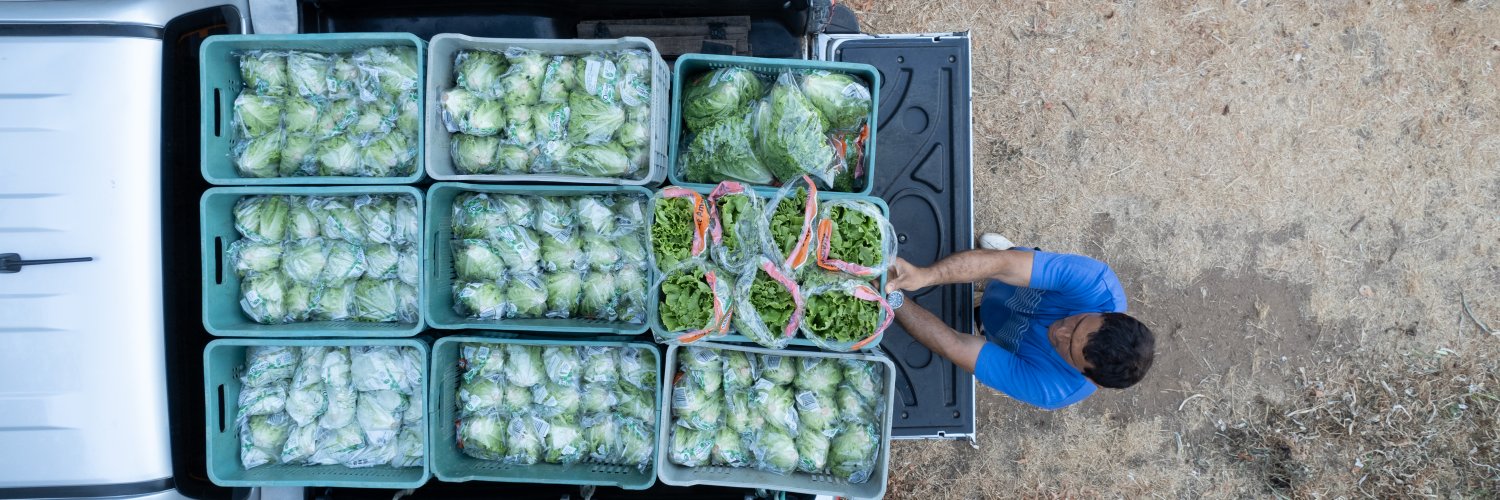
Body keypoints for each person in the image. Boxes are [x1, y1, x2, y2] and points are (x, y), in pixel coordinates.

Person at [884, 233, 1154, 410]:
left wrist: (892, 297)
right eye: (1078, 322)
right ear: (1107, 313)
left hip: (999, 333)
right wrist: (925, 276)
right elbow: (1003, 265)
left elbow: (955, 345)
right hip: (1008, 276)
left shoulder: (1053, 389)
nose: (1060, 330)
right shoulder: (1096, 284)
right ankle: (1012, 256)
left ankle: (983, 317)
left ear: (1089, 379)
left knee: (983, 326)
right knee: (1005, 261)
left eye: (1069, 348)